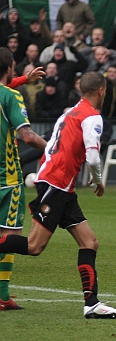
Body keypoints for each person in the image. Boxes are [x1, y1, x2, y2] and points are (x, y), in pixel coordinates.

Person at [0, 71, 116, 318]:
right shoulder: (92, 117)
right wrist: (98, 180)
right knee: (34, 246)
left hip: (59, 185)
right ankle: (92, 304)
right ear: (101, 91)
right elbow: (92, 155)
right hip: (56, 185)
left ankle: (92, 305)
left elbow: (53, 143)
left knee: (89, 242)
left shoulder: (70, 112)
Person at [0, 48, 48, 311]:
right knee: (9, 235)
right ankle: (3, 295)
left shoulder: (10, 88)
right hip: (6, 179)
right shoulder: (11, 96)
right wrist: (53, 148)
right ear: (8, 69)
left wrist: (21, 79)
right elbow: (27, 136)